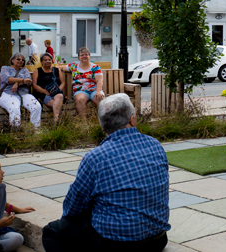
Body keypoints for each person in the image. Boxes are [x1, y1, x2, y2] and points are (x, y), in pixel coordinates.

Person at [42, 94, 170, 252]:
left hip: (115, 245)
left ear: (103, 125)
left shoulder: (95, 157)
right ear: (132, 119)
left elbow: (74, 207)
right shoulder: (155, 145)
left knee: (51, 232)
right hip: (157, 240)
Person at [0, 53, 42, 128]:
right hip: (8, 94)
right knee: (14, 108)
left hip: (24, 94)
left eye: (22, 60)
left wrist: (16, 84)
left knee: (36, 106)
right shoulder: (5, 68)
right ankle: (16, 131)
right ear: (12, 60)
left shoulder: (25, 70)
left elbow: (28, 80)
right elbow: (7, 79)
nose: (20, 61)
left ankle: (35, 129)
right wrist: (22, 80)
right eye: (18, 59)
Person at [60, 48, 103, 119]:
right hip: (80, 90)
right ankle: (84, 123)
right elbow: (62, 67)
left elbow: (100, 80)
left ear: (89, 56)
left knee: (101, 99)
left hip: (94, 90)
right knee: (80, 100)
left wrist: (98, 91)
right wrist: (51, 68)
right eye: (82, 55)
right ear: (79, 57)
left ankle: (101, 121)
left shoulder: (95, 67)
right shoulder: (74, 65)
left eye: (86, 54)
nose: (84, 56)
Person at [32, 53, 65, 123]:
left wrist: (58, 90)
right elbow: (34, 85)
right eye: (45, 60)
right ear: (41, 62)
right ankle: (58, 121)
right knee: (58, 105)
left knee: (60, 95)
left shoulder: (57, 70)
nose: (47, 61)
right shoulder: (37, 71)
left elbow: (63, 83)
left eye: (49, 59)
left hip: (56, 93)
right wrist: (44, 91)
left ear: (52, 61)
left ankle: (56, 121)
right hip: (43, 94)